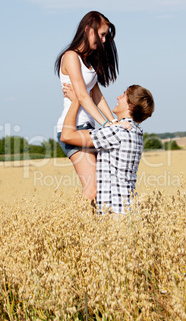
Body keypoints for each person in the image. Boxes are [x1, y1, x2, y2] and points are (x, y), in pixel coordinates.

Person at [55, 11, 121, 202]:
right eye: (101, 34)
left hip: (88, 128)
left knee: (101, 188)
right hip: (72, 128)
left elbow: (96, 94)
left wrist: (112, 122)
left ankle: (96, 228)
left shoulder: (88, 60)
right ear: (87, 29)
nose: (103, 39)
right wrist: (106, 124)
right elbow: (82, 96)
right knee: (92, 189)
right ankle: (82, 229)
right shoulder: (70, 57)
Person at [61, 84, 155, 214]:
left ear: (131, 105)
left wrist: (76, 101)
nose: (118, 97)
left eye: (123, 95)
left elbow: (67, 136)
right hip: (128, 209)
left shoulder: (118, 131)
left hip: (115, 212)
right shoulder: (136, 131)